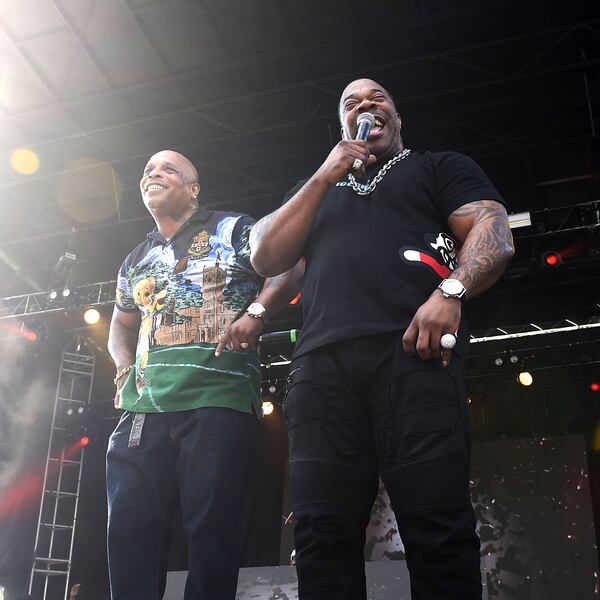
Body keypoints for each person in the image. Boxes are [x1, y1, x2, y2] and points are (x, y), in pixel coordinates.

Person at [249, 78, 514, 600]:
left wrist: (452, 289)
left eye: (378, 99)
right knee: (321, 536)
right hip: (322, 368)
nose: (366, 106)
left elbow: (494, 227)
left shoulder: (437, 167)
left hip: (413, 355)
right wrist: (325, 175)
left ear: (397, 116)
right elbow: (266, 256)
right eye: (352, 103)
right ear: (341, 124)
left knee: (438, 528)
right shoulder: (315, 191)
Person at [106, 149, 300, 600]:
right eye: (148, 170)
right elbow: (121, 319)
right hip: (144, 407)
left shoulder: (232, 228)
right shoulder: (136, 257)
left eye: (168, 169)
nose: (154, 174)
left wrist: (257, 310)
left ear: (194, 189)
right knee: (129, 530)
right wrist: (121, 364)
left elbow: (288, 262)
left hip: (218, 398)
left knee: (212, 531)